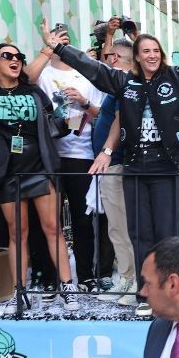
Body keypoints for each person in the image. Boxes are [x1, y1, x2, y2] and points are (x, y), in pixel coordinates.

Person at [46, 16, 179, 316]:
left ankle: (171, 293)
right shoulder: (124, 82)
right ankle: (147, 294)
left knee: (168, 235)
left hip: (165, 168)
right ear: (137, 56)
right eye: (145, 51)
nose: (151, 55)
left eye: (155, 50)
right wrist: (61, 50)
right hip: (134, 169)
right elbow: (92, 69)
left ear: (162, 54)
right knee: (139, 233)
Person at [0, 43, 77, 313]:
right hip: (6, 172)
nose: (14, 60)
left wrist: (66, 108)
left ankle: (68, 287)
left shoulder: (33, 91)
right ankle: (20, 292)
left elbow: (56, 120)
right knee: (19, 234)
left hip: (39, 167)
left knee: (53, 229)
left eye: (18, 57)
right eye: (7, 56)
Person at [37, 24, 110, 294]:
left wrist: (83, 102)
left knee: (82, 220)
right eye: (56, 39)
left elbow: (103, 113)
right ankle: (51, 278)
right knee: (50, 222)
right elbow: (27, 82)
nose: (61, 44)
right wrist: (45, 51)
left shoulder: (86, 75)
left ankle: (86, 277)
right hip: (49, 157)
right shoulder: (42, 73)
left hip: (82, 155)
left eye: (66, 40)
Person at [92, 38, 137, 306]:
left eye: (109, 55)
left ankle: (130, 282)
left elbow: (120, 122)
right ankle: (127, 279)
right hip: (114, 165)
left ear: (115, 59)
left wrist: (107, 152)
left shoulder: (124, 84)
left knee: (121, 227)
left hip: (117, 165)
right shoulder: (122, 85)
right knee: (118, 227)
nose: (107, 60)